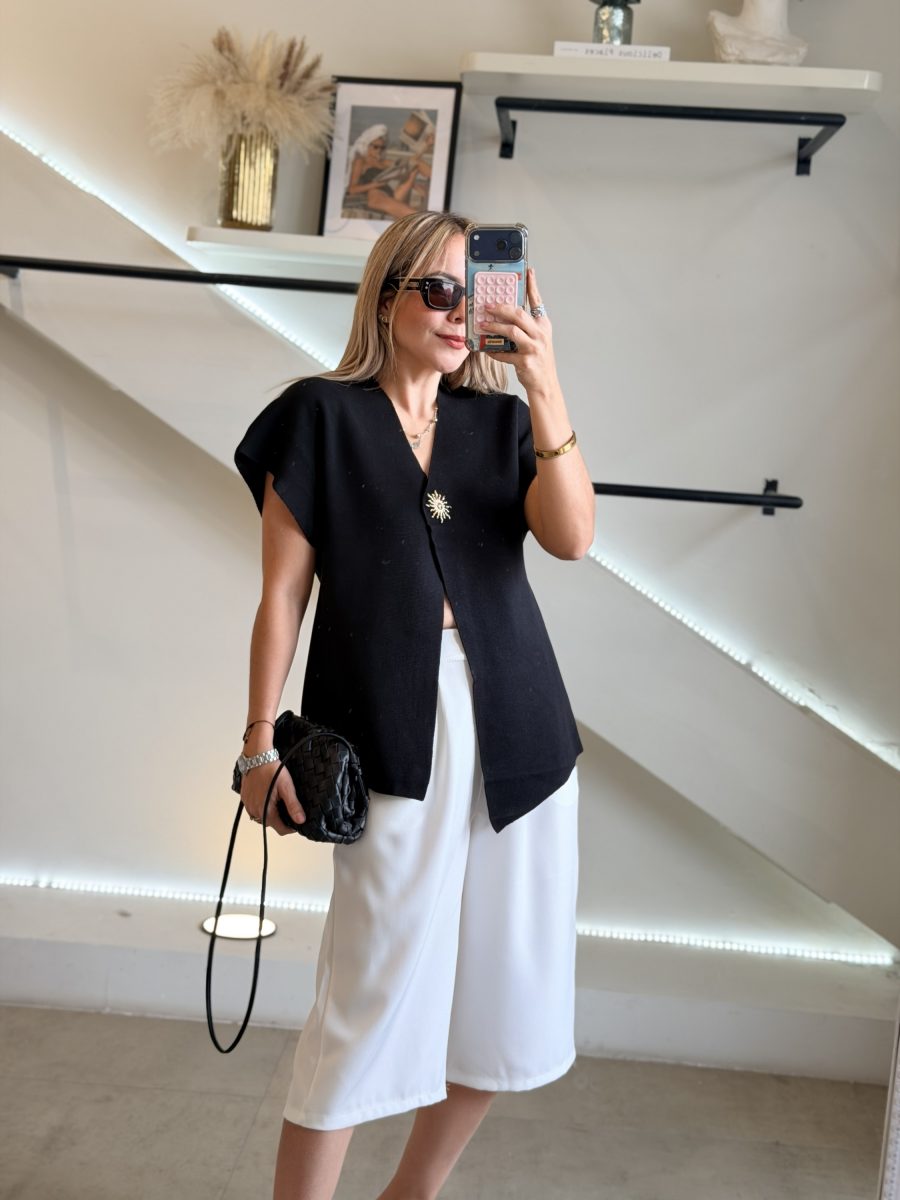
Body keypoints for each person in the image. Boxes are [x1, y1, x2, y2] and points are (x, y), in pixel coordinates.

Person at [233, 210, 595, 1200]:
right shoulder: (318, 416)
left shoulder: (502, 424)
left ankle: (412, 1193)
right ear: (386, 296)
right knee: (367, 991)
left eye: (475, 293)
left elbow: (572, 539)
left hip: (521, 735)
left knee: (504, 992)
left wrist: (543, 378)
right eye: (435, 290)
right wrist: (258, 743)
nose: (456, 311)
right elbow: (282, 597)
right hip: (387, 732)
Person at [342, 122, 434, 219]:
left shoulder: (384, 162)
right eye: (375, 147)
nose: (379, 150)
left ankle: (438, 181)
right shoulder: (361, 161)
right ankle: (422, 220)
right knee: (377, 196)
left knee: (416, 163)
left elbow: (409, 162)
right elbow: (352, 189)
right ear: (367, 145)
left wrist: (426, 145)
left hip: (391, 193)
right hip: (375, 193)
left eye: (382, 148)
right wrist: (375, 184)